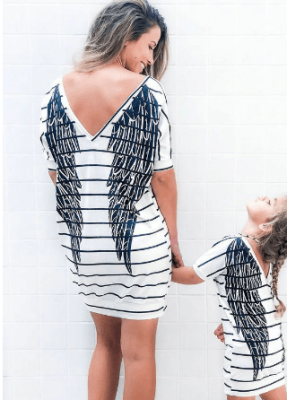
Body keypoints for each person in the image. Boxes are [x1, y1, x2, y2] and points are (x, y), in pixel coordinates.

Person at [38, 1, 183, 399]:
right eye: (149, 47)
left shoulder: (55, 92)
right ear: (125, 36)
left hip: (85, 246)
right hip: (138, 242)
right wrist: (172, 240)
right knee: (138, 353)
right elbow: (163, 178)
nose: (150, 59)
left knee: (105, 344)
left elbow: (58, 174)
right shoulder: (147, 93)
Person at [172, 195, 287, 400]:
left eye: (270, 202)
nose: (265, 197)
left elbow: (192, 275)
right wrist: (233, 322)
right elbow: (253, 302)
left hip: (247, 356)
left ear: (266, 227)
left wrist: (152, 266)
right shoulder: (265, 256)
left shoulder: (231, 247)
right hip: (271, 351)